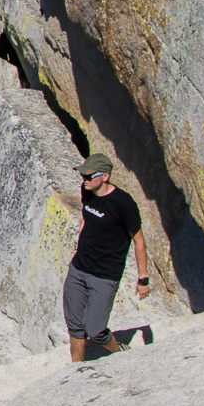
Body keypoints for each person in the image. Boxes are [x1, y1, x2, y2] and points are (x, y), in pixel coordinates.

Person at [63, 153, 149, 361]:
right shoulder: (88, 191)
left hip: (104, 275)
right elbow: (87, 216)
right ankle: (77, 372)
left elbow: (139, 241)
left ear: (106, 176)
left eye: (89, 176)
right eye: (83, 175)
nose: (84, 180)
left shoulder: (123, 204)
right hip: (79, 268)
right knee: (75, 327)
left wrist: (143, 279)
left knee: (95, 328)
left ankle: (120, 355)